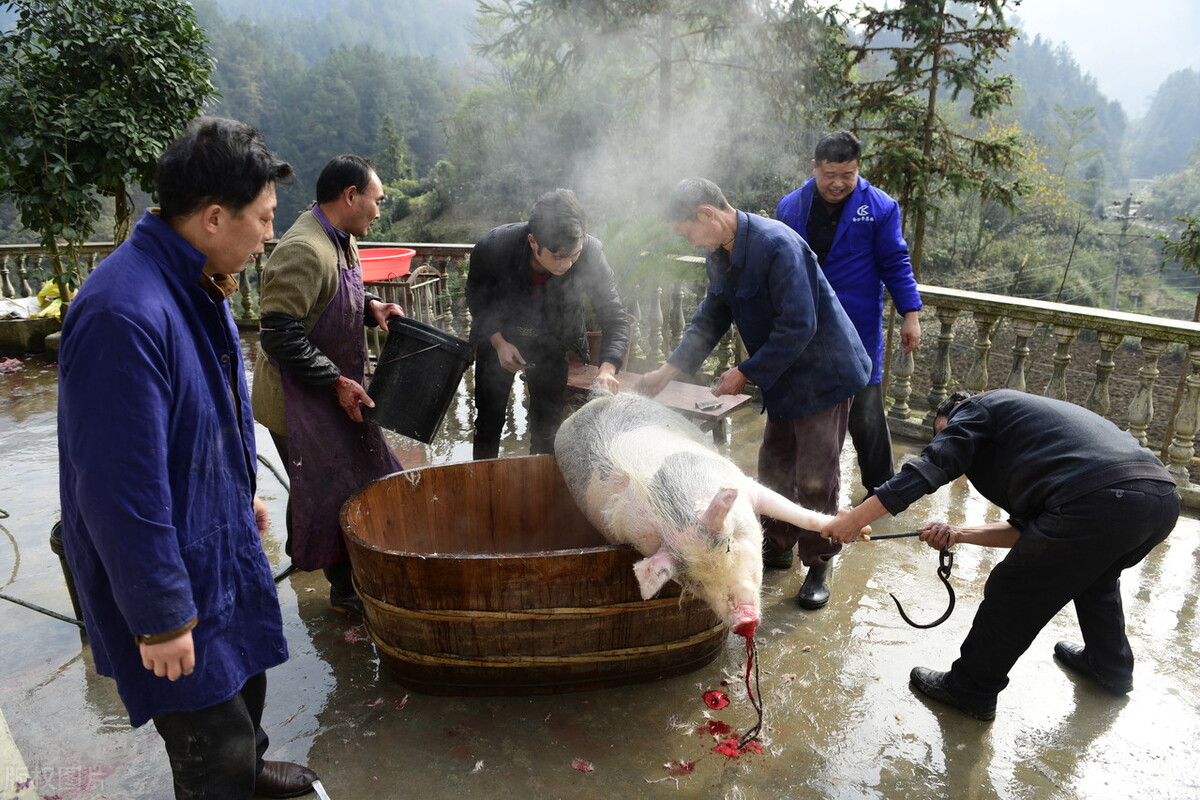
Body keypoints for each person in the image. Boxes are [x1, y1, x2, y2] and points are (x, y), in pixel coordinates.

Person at [57, 117, 318, 798]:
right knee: (210, 737)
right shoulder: (124, 312)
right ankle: (231, 780)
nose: (269, 235)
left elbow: (200, 416)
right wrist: (162, 616)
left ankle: (252, 771)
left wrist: (237, 493)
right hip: (165, 569)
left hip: (210, 534)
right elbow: (116, 487)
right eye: (263, 219)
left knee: (244, 680)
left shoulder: (198, 282)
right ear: (212, 217)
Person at [822, 389, 1180, 721]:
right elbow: (1035, 533)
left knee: (1014, 588)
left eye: (942, 432)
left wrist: (854, 520)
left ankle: (970, 688)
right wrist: (958, 535)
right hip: (1158, 500)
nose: (943, 441)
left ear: (953, 414)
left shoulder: (977, 409)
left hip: (1098, 501)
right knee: (1095, 577)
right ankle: (1110, 666)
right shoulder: (1033, 433)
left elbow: (930, 468)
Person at [639, 177, 871, 610]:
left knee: (816, 474)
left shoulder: (777, 245)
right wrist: (670, 369)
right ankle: (778, 546)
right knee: (774, 464)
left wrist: (744, 372)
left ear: (708, 214)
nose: (692, 241)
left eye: (689, 232)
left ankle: (820, 561)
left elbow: (798, 325)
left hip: (824, 373)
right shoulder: (720, 254)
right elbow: (712, 314)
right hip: (784, 375)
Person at [252, 155, 404, 617]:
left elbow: (336, 296)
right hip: (297, 398)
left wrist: (372, 306)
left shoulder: (343, 238)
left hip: (335, 388)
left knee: (353, 475)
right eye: (376, 200)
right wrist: (335, 379)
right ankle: (344, 591)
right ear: (350, 196)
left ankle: (324, 559)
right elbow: (279, 333)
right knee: (327, 486)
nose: (379, 210)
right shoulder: (303, 248)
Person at [776, 130, 922, 502]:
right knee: (804, 412)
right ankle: (798, 490)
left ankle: (883, 492)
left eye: (848, 174)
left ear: (858, 169)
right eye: (830, 174)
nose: (838, 183)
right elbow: (777, 267)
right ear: (815, 168)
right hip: (804, 328)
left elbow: (895, 262)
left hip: (857, 328)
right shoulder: (791, 207)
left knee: (867, 416)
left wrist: (911, 313)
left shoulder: (880, 207)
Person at [466, 188, 629, 459]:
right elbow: (477, 300)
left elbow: (614, 313)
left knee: (547, 429)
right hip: (500, 336)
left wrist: (608, 368)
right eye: (557, 256)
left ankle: (537, 494)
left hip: (553, 340)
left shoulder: (590, 251)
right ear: (533, 241)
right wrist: (498, 342)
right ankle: (486, 493)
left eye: (573, 255)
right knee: (488, 423)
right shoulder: (494, 247)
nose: (566, 264)